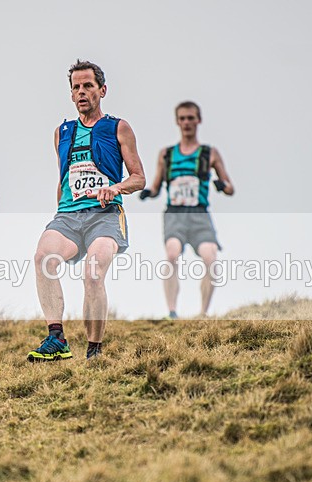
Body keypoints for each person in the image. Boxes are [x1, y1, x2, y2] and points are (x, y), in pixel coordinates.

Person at [28, 60, 146, 362]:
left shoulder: (118, 127)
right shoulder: (61, 132)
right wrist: (60, 211)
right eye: (76, 87)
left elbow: (139, 178)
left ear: (102, 90)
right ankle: (56, 339)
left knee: (92, 274)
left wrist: (115, 188)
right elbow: (63, 177)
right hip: (69, 215)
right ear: (71, 94)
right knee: (43, 258)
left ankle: (94, 351)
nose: (82, 92)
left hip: (105, 215)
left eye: (88, 86)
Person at [139, 101, 234, 318]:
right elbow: (156, 186)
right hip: (174, 214)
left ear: (198, 120)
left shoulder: (210, 153)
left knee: (210, 257)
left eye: (191, 118)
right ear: (177, 122)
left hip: (200, 214)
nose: (187, 122)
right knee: (172, 254)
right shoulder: (167, 155)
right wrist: (148, 193)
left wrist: (222, 186)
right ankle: (172, 311)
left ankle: (203, 312)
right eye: (182, 118)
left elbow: (230, 187)